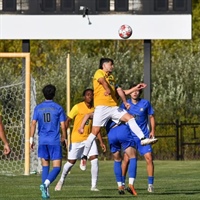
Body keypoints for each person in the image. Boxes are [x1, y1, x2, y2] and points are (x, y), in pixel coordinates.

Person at [80, 57, 158, 169]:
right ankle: (84, 156)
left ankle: (143, 139)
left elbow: (122, 92)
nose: (112, 66)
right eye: (111, 64)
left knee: (130, 117)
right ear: (104, 65)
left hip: (113, 107)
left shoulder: (112, 77)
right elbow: (102, 81)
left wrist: (135, 88)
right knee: (94, 132)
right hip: (102, 107)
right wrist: (107, 89)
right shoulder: (99, 72)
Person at [54, 89, 106, 192]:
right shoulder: (77, 107)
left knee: (95, 159)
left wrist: (101, 141)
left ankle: (93, 186)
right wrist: (64, 135)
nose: (90, 97)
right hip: (77, 138)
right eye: (87, 95)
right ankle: (61, 180)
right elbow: (68, 120)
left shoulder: (95, 109)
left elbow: (96, 128)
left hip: (89, 138)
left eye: (91, 95)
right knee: (71, 162)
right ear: (84, 97)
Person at [30, 84, 67, 199]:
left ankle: (45, 193)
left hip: (42, 141)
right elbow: (62, 125)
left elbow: (33, 123)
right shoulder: (58, 108)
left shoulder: (38, 108)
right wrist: (64, 137)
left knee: (45, 166)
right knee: (57, 167)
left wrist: (31, 139)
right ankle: (45, 185)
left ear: (44, 94)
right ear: (54, 94)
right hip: (54, 140)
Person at [120, 84, 156, 193]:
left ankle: (150, 184)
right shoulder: (125, 104)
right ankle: (121, 183)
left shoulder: (145, 103)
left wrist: (153, 131)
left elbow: (151, 116)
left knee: (149, 158)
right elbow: (119, 118)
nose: (135, 93)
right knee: (126, 159)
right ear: (130, 92)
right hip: (130, 137)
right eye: (133, 91)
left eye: (137, 91)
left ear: (139, 92)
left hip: (143, 136)